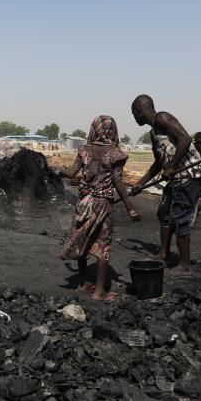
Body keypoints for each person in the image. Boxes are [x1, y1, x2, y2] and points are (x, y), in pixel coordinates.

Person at [58, 116, 140, 300]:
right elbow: (118, 182)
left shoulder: (84, 150)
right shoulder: (115, 154)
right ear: (113, 131)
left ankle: (82, 282)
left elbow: (71, 173)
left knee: (82, 239)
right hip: (103, 203)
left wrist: (59, 170)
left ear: (94, 130)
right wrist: (130, 208)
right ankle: (99, 292)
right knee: (103, 243)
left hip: (83, 202)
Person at [129, 95, 201, 275]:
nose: (134, 118)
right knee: (164, 214)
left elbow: (185, 139)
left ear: (139, 110)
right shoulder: (153, 133)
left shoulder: (162, 118)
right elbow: (158, 164)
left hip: (190, 177)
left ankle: (185, 265)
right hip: (176, 179)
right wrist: (140, 184)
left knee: (181, 218)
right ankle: (163, 253)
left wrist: (172, 165)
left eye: (133, 113)